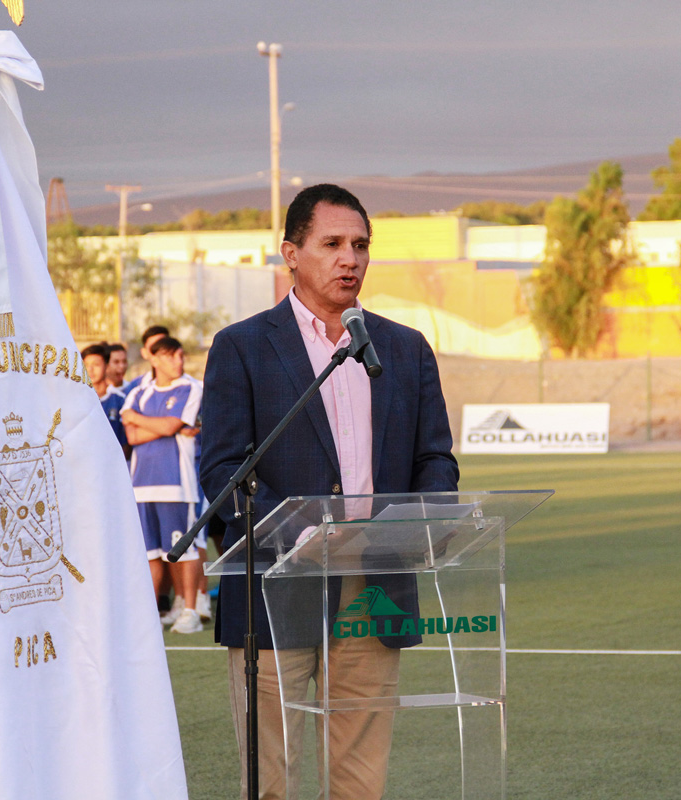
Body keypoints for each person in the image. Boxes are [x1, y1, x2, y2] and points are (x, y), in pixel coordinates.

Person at [200, 184, 458, 800]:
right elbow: (223, 474)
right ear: (291, 252)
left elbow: (435, 460)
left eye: (361, 245)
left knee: (359, 781)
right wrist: (300, 534)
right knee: (271, 781)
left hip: (376, 584)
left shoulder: (404, 348)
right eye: (333, 244)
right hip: (274, 586)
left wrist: (425, 520)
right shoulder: (242, 348)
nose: (351, 259)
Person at [122, 336, 206, 634]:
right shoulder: (139, 391)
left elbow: (170, 426)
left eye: (180, 355)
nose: (178, 361)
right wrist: (164, 426)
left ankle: (191, 610)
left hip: (177, 485)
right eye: (170, 356)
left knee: (185, 549)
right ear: (154, 359)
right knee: (150, 553)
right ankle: (149, 612)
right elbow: (131, 437)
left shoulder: (193, 388)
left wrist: (143, 421)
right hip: (141, 485)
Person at [81, 342, 128, 453]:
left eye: (96, 365)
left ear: (106, 366)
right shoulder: (75, 399)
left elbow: (126, 443)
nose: (90, 370)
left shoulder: (119, 399)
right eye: (86, 365)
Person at [125, 325, 170, 396]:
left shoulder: (188, 386)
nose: (158, 352)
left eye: (163, 347)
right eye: (154, 348)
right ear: (144, 353)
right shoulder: (136, 386)